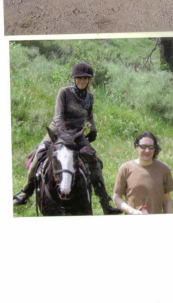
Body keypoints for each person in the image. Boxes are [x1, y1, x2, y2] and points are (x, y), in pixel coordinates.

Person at [13, 62, 121, 215]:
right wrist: (63, 134)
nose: (82, 81)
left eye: (85, 78)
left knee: (94, 161)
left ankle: (105, 203)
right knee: (39, 156)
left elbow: (89, 117)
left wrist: (92, 128)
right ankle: (26, 192)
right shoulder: (64, 92)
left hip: (77, 133)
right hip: (57, 130)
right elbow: (58, 116)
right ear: (74, 79)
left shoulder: (89, 97)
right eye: (79, 78)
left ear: (89, 80)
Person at [113, 131, 173, 214]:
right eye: (143, 146)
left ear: (155, 148)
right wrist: (132, 211)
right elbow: (116, 198)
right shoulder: (125, 169)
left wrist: (168, 220)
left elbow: (167, 199)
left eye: (151, 147)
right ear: (136, 147)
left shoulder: (163, 169)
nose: (147, 150)